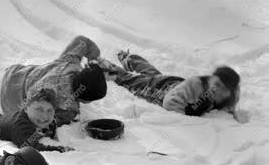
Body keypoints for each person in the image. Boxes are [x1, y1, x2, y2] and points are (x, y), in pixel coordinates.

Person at [0, 35, 107, 126]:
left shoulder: (69, 64)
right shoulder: (68, 107)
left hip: (13, 75)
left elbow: (82, 41)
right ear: (83, 97)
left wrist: (95, 58)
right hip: (8, 104)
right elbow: (49, 121)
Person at [97, 50, 244, 121]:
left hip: (175, 84)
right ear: (210, 79)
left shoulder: (231, 96)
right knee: (132, 82)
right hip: (161, 91)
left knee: (153, 75)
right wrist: (186, 121)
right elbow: (170, 103)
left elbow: (230, 106)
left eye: (224, 89)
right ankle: (105, 67)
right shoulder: (196, 85)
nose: (216, 90)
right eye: (216, 84)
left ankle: (130, 59)